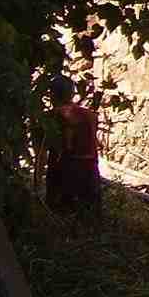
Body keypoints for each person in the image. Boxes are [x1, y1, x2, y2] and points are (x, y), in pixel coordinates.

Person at [43, 34, 102, 215]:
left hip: (69, 172)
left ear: (52, 95)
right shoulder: (91, 115)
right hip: (91, 171)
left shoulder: (56, 116)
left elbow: (54, 153)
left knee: (62, 216)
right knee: (90, 218)